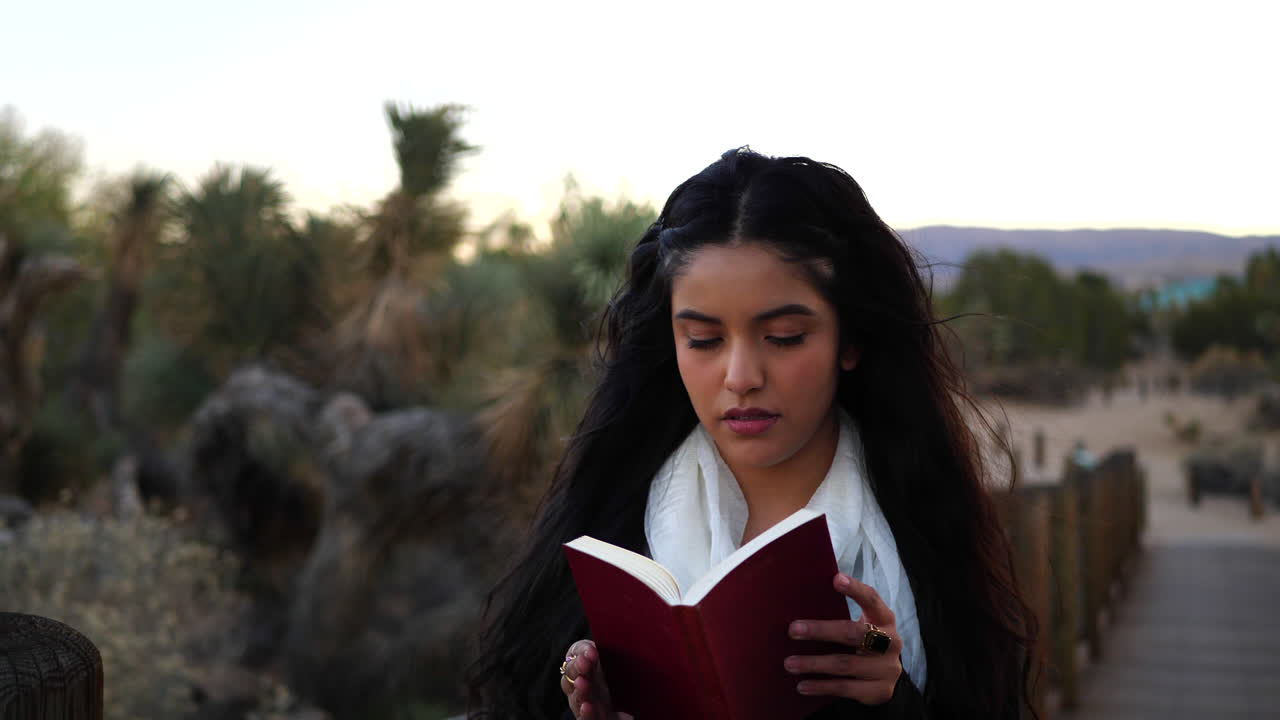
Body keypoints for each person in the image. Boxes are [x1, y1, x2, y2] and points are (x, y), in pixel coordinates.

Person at [465, 148, 1038, 719]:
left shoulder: (924, 518)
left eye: (785, 336)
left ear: (851, 340)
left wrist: (889, 698)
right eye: (704, 340)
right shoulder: (612, 517)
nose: (741, 378)